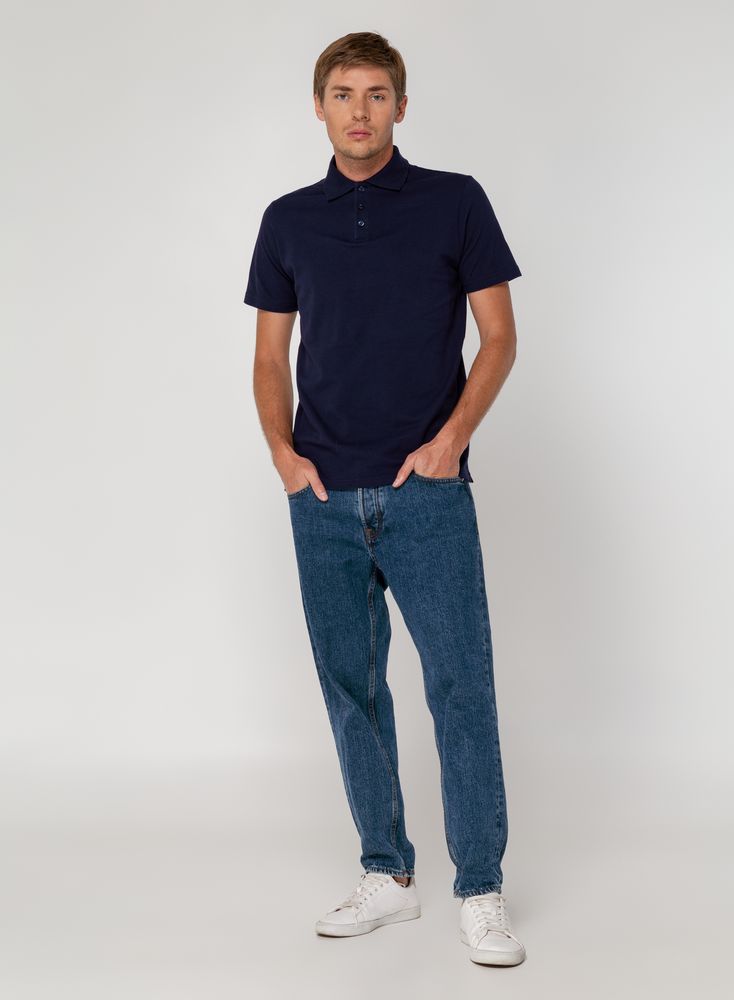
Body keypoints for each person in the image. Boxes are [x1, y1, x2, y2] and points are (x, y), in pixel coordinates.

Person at [243, 31, 526, 967]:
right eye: (342, 94)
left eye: (375, 94)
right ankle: (388, 874)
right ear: (318, 107)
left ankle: (480, 889)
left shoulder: (455, 201)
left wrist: (450, 444)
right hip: (323, 496)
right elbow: (269, 356)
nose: (358, 110)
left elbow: (498, 337)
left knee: (460, 687)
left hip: (427, 494)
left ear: (401, 106)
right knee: (352, 690)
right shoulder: (288, 220)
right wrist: (284, 457)